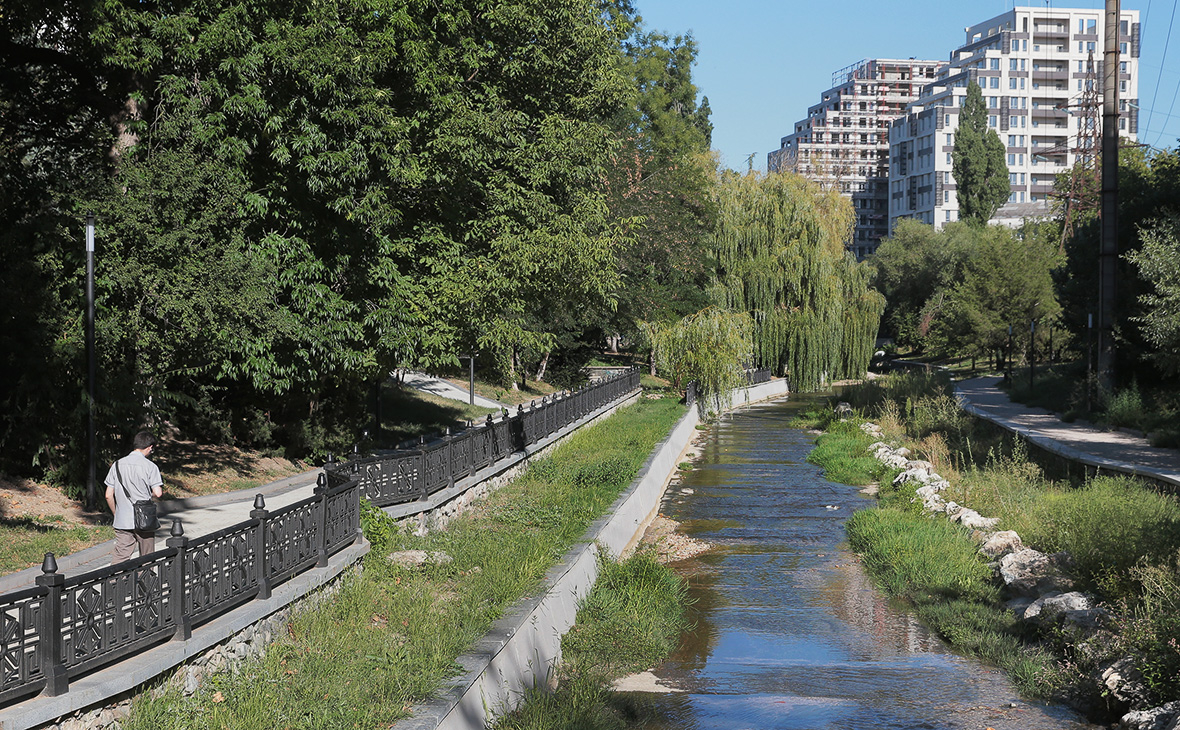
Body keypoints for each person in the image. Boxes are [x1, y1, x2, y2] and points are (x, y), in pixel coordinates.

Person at [104, 430, 164, 563]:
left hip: (122, 519)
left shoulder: (117, 465)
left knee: (121, 556)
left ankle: (115, 582)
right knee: (147, 557)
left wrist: (116, 513)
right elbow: (158, 492)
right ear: (150, 447)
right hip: (144, 519)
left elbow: (108, 495)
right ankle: (146, 582)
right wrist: (148, 494)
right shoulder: (150, 466)